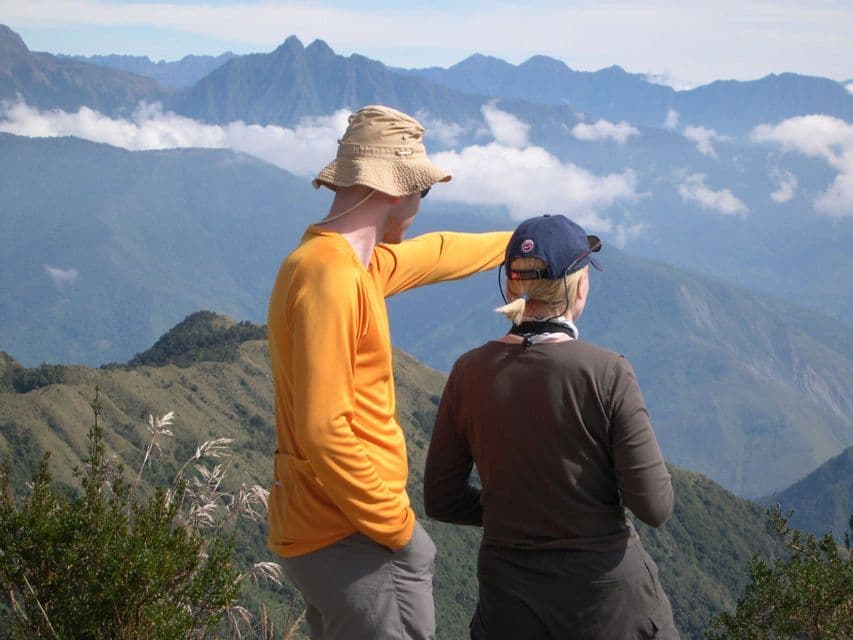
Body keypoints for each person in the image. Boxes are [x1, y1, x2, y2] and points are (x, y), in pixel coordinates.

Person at [266, 104, 511, 640]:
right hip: (351, 533)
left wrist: (523, 243)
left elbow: (439, 254)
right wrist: (400, 530)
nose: (422, 206)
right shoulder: (334, 280)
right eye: (423, 191)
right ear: (396, 190)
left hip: (323, 527)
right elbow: (324, 430)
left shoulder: (339, 263)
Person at [423, 214, 679, 639]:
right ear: (580, 288)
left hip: (509, 603)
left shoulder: (468, 373)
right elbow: (655, 506)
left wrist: (513, 508)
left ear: (510, 286)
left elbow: (442, 500)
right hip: (608, 601)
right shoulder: (608, 373)